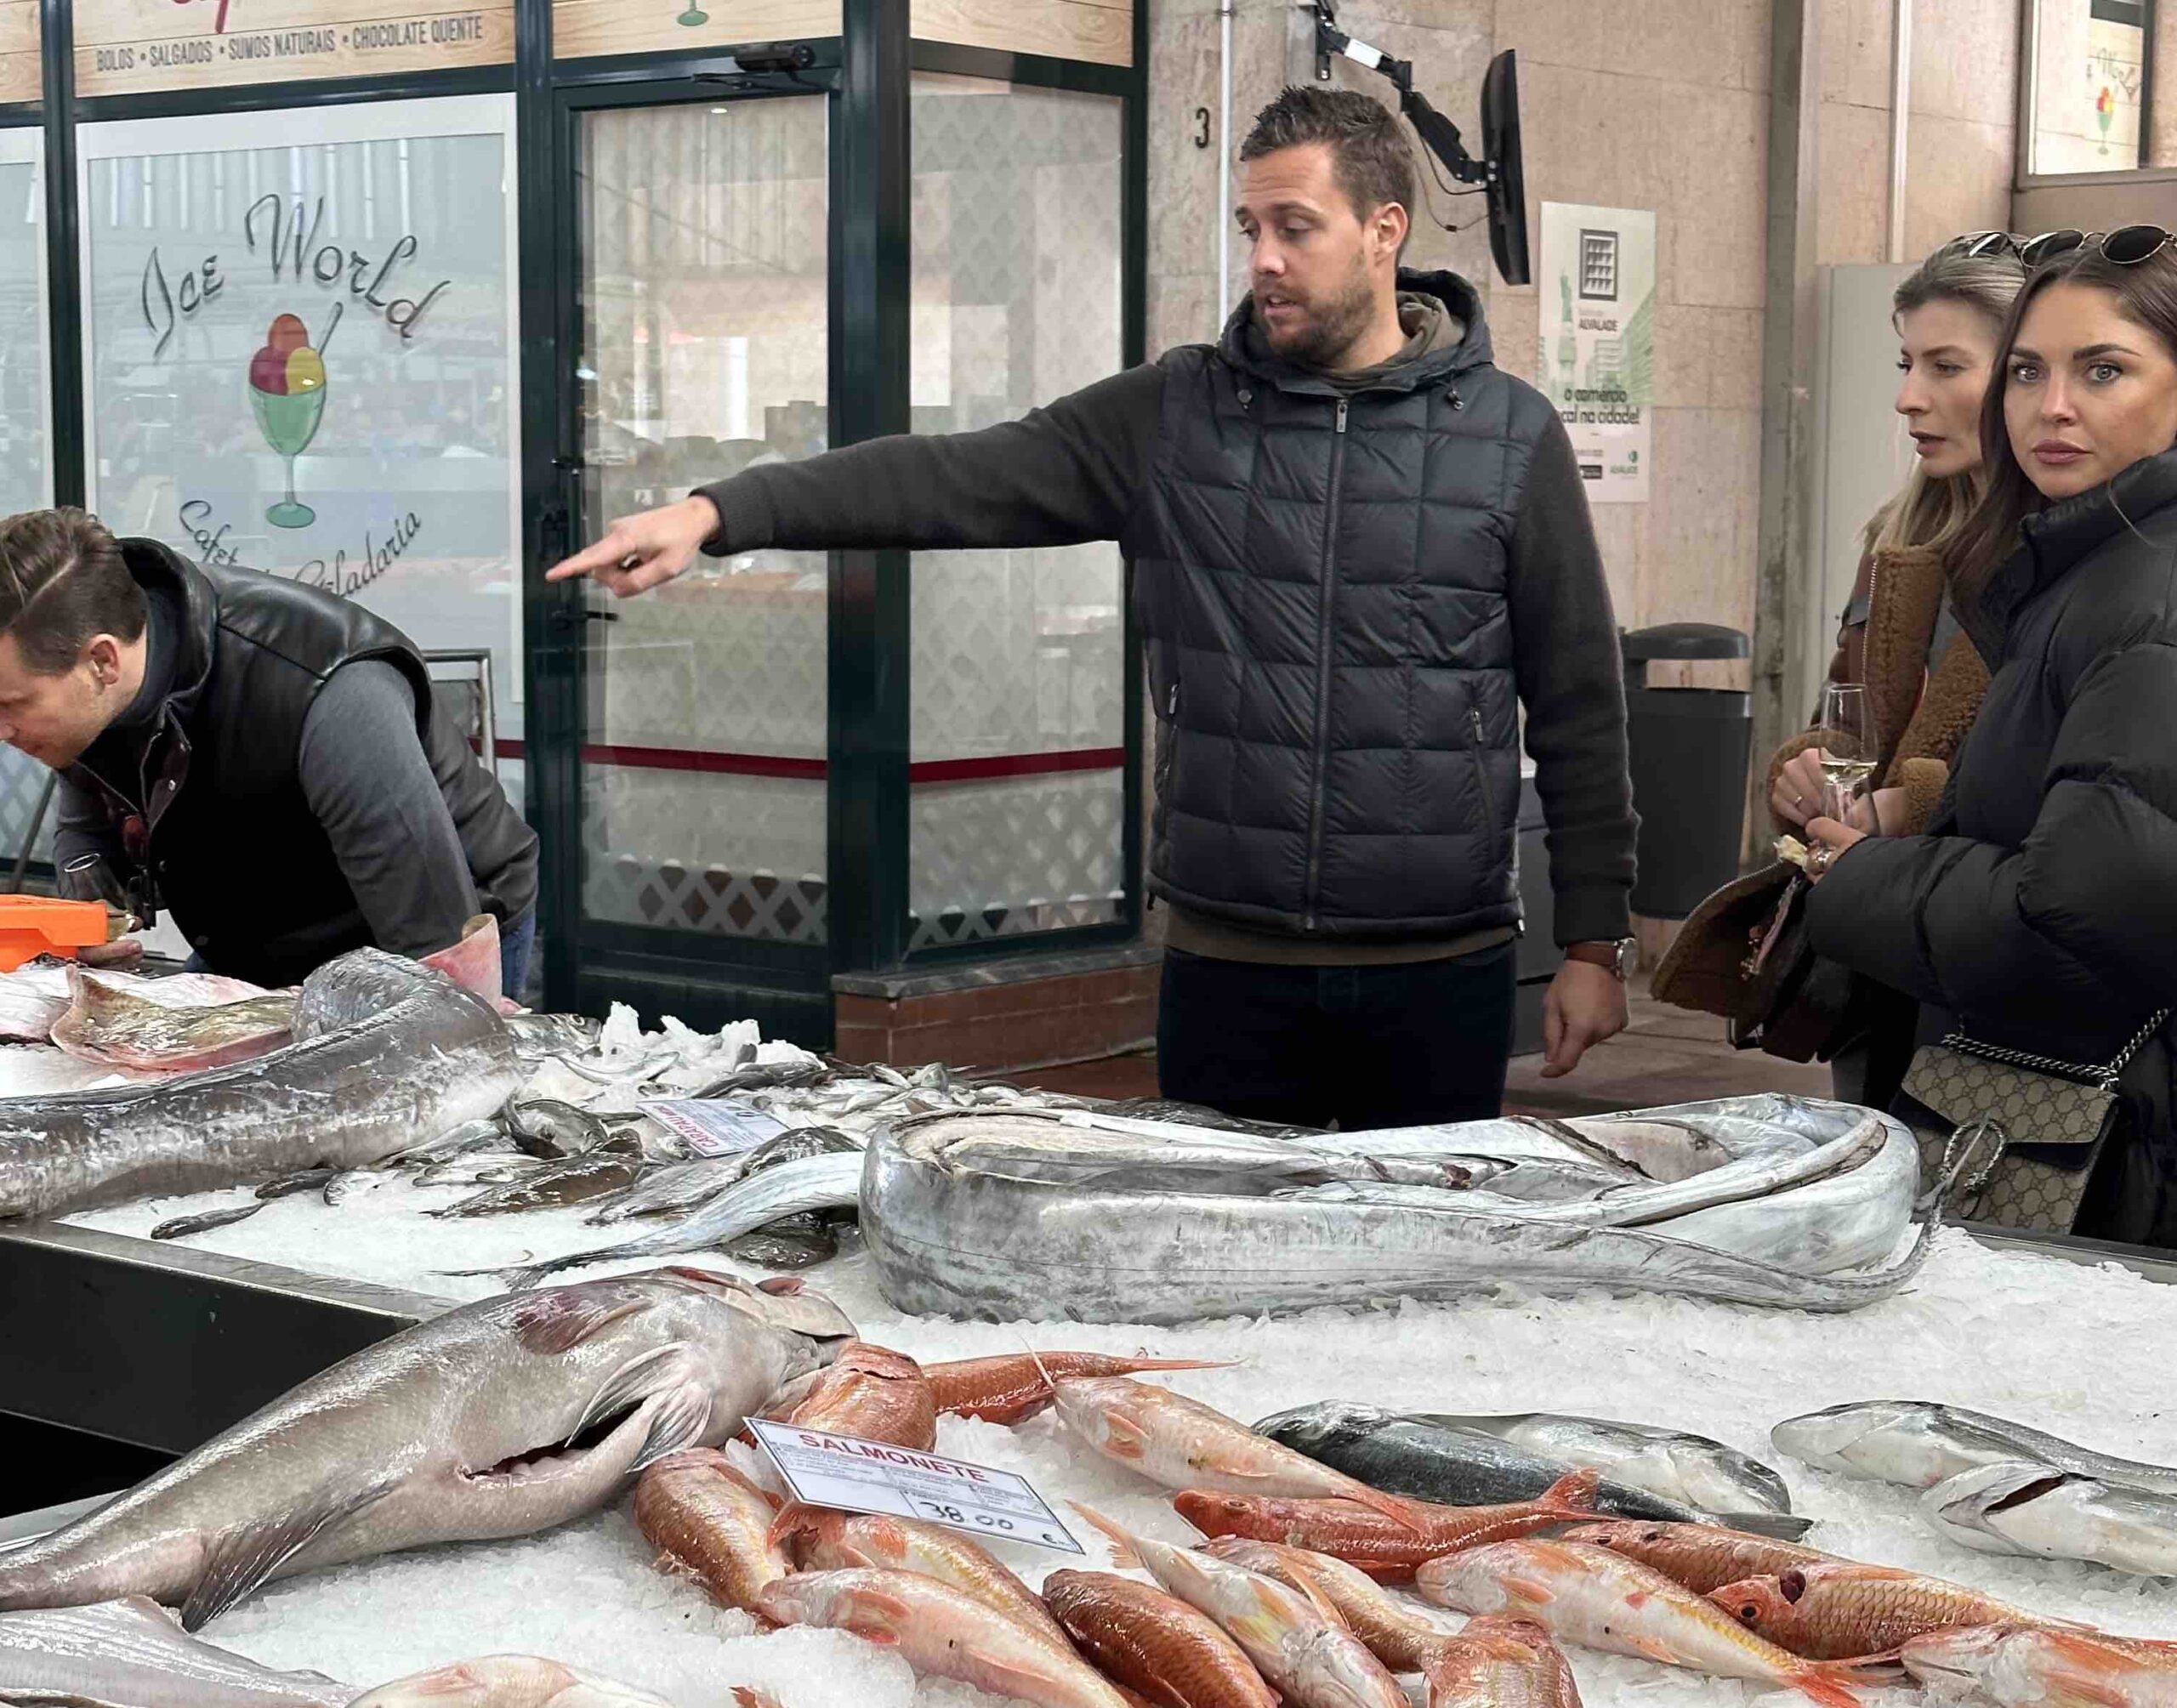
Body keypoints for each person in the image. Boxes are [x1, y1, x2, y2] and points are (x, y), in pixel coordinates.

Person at [549, 85, 1640, 1129]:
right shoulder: (1175, 415)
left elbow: (1578, 701)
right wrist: (720, 511)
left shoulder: (1507, 437)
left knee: (1422, 1283)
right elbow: (955, 476)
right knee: (1206, 1284)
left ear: (1383, 229)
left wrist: (1594, 942)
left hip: (1438, 975)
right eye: (1250, 225)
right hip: (1230, 972)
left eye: (1295, 226)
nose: (1262, 257)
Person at [1800, 225, 2177, 1243]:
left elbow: (2075, 919)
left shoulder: (2146, 592)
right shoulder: (2062, 563)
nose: (2051, 407)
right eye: (2026, 372)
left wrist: (1863, 874)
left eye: (2102, 370)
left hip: (2112, 1135)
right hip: (2024, 1076)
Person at [1662, 236, 2021, 1102]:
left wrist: (1913, 804)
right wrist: (1805, 766)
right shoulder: (1893, 542)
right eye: (1906, 363)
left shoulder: (2073, 563)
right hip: (1873, 969)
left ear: (2026, 375)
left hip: (1993, 986)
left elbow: (2066, 788)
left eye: (1945, 366)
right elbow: (1852, 718)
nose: (1907, 398)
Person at [0, 507, 540, 995]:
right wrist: (92, 908)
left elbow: (434, 952)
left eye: (10, 704)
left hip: (428, 924)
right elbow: (88, 827)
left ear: (103, 662)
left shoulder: (326, 691)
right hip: (254, 934)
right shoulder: (89, 675)